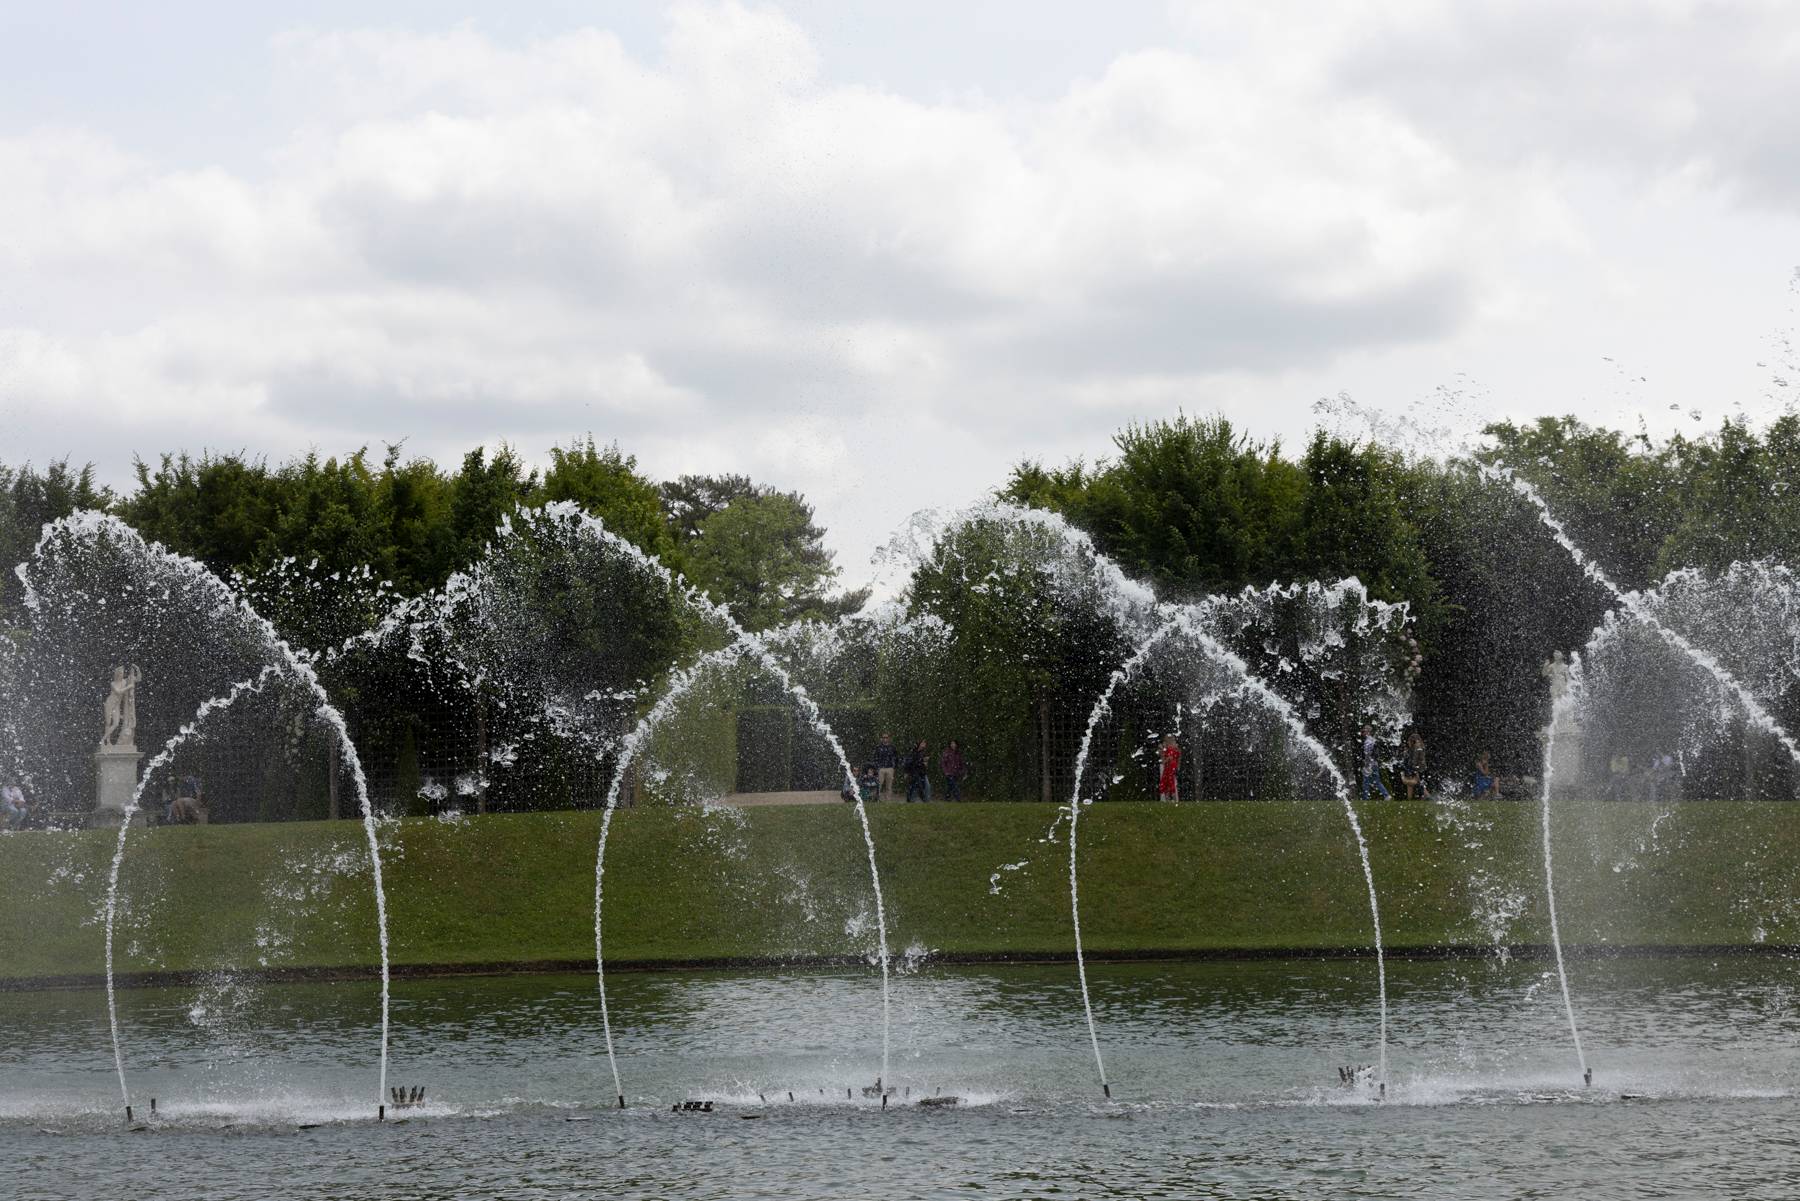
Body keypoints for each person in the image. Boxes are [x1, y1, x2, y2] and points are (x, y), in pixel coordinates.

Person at [1360, 725, 1390, 800]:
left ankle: (1365, 798)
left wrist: (1366, 765)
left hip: (1369, 764)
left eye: (1364, 731)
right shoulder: (1373, 740)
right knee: (1377, 781)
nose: (1363, 732)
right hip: (1375, 763)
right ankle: (1386, 795)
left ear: (1368, 732)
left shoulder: (1368, 741)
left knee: (1365, 782)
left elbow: (1367, 754)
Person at [1400, 731, 1428, 800]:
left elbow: (1414, 760)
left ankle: (1427, 797)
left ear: (1413, 741)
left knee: (1414, 783)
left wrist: (1413, 769)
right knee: (1419, 785)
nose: (1408, 742)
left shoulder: (1417, 748)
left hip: (1417, 768)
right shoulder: (1419, 746)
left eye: (1409, 741)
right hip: (1420, 768)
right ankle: (1423, 797)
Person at [873, 734, 898, 802]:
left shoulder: (892, 747)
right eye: (883, 737)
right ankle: (877, 799)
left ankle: (888, 801)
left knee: (889, 786)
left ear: (889, 738)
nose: (885, 739)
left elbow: (896, 758)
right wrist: (877, 767)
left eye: (886, 737)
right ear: (881, 738)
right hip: (881, 768)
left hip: (890, 768)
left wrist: (894, 767)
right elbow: (875, 758)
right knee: (879, 784)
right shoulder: (878, 747)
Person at [1158, 735, 1181, 802]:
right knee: (1167, 784)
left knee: (1171, 784)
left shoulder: (1174, 750)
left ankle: (1174, 800)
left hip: (1171, 769)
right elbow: (1163, 761)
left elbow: (1178, 758)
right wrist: (1167, 758)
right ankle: (1168, 800)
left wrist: (1177, 766)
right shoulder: (1165, 751)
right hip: (1167, 769)